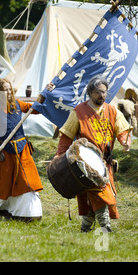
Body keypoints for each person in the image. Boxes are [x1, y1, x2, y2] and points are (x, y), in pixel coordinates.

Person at [53, 75, 131, 232]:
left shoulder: (113, 111)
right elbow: (66, 137)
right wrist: (58, 157)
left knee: (91, 199)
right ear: (90, 92)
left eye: (104, 92)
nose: (102, 95)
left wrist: (125, 142)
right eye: (98, 92)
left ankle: (85, 229)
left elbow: (123, 131)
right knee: (99, 194)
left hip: (105, 163)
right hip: (85, 164)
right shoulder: (78, 112)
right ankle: (105, 227)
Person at [0, 78, 43, 222]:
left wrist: (45, 94)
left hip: (23, 150)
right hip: (5, 153)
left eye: (9, 89)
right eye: (4, 90)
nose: (8, 92)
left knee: (28, 181)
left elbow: (36, 109)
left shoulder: (19, 104)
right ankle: (3, 212)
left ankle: (29, 214)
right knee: (5, 186)